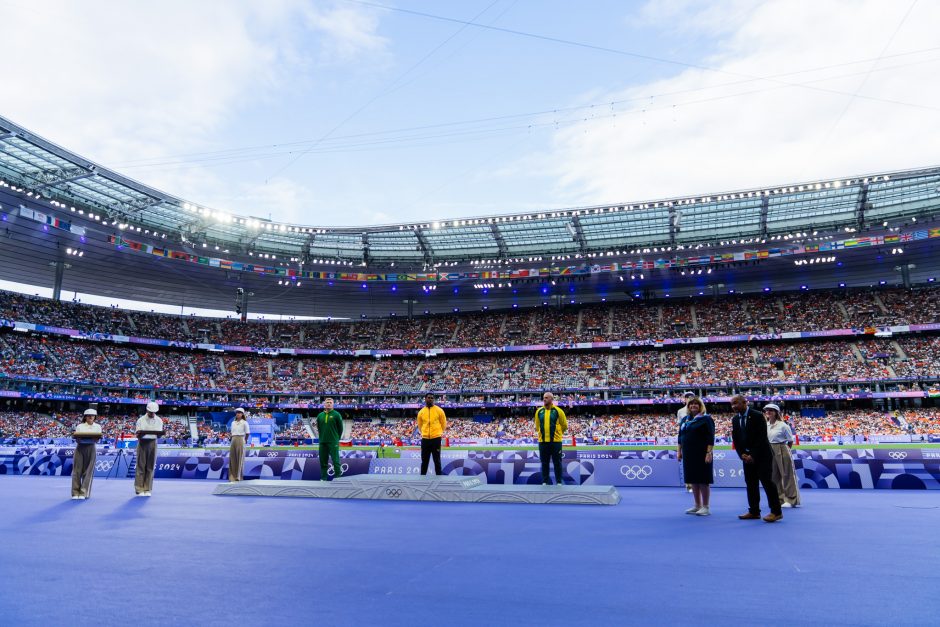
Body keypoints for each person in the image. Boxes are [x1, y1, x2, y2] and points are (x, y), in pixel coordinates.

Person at [730, 395, 782, 522]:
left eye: (736, 403)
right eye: (732, 404)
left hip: (762, 456)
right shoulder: (735, 419)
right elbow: (736, 439)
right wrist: (742, 454)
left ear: (744, 402)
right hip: (747, 458)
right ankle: (754, 511)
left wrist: (752, 455)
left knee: (767, 482)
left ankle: (776, 512)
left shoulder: (758, 415)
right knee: (751, 484)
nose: (734, 406)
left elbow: (761, 438)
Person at [677, 397, 714, 516]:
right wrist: (679, 451)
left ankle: (706, 507)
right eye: (691, 404)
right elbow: (680, 437)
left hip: (702, 453)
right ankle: (697, 505)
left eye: (696, 404)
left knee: (703, 480)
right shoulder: (684, 420)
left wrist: (708, 453)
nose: (693, 406)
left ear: (700, 406)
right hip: (688, 453)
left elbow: (710, 437)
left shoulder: (706, 419)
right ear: (688, 406)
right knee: (693, 479)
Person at [765, 403, 800, 508]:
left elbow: (790, 441)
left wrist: (786, 450)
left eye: (771, 410)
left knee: (787, 475)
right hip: (770, 449)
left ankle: (791, 499)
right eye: (767, 410)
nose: (768, 412)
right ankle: (779, 499)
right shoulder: (766, 424)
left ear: (776, 412)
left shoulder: (783, 425)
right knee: (774, 476)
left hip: (782, 448)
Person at [534, 392, 568, 485]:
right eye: (543, 398)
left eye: (546, 398)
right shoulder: (539, 411)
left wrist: (558, 434)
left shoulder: (559, 411)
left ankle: (559, 481)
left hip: (556, 442)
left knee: (557, 462)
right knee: (544, 463)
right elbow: (537, 426)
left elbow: (564, 425)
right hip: (543, 442)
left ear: (551, 399)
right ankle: (545, 481)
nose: (544, 399)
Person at [134, 401, 164, 497]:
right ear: (147, 410)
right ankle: (139, 489)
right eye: (151, 412)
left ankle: (147, 488)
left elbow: (158, 436)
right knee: (141, 466)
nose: (152, 414)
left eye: (154, 412)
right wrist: (141, 433)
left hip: (153, 443)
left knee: (150, 467)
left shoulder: (159, 420)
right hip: (142, 443)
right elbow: (137, 435)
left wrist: (159, 434)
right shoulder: (140, 420)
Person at [71, 408, 101, 500]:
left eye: (92, 415)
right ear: (85, 417)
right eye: (88, 415)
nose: (90, 417)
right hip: (80, 448)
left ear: (95, 417)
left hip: (91, 448)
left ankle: (84, 492)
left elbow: (97, 438)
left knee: (88, 471)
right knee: (77, 471)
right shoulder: (80, 426)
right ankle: (75, 492)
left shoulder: (98, 427)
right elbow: (77, 438)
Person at [416, 393, 447, 475]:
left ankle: (439, 479)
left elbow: (443, 424)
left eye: (432, 398)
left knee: (437, 460)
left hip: (436, 439)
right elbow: (420, 425)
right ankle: (422, 478)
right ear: (425, 399)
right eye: (429, 398)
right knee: (424, 461)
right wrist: (424, 433)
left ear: (434, 399)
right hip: (425, 439)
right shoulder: (421, 412)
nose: (430, 399)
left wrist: (438, 433)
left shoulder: (439, 410)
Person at [316, 398, 344, 481]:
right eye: (327, 402)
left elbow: (340, 428)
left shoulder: (336, 414)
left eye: (330, 402)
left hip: (333, 441)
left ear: (333, 404)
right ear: (324, 404)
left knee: (335, 460)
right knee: (323, 461)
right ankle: (323, 478)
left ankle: (338, 477)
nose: (329, 404)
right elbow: (319, 428)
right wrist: (321, 438)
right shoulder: (320, 415)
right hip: (322, 441)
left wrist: (336, 438)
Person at [677, 391, 696, 492]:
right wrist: (678, 450)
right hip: (686, 442)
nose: (689, 399)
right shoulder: (680, 412)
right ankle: (689, 485)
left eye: (691, 397)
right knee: (687, 464)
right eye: (687, 397)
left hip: (697, 442)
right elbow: (680, 430)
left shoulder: (700, 410)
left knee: (697, 464)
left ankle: (698, 484)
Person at [228, 408, 250, 482]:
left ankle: (238, 476)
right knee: (232, 458)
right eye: (237, 412)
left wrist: (245, 440)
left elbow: (247, 433)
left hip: (241, 438)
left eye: (240, 413)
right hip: (233, 439)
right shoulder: (233, 423)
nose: (238, 414)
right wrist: (231, 439)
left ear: (242, 414)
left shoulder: (245, 423)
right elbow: (232, 433)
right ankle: (232, 476)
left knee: (240, 458)